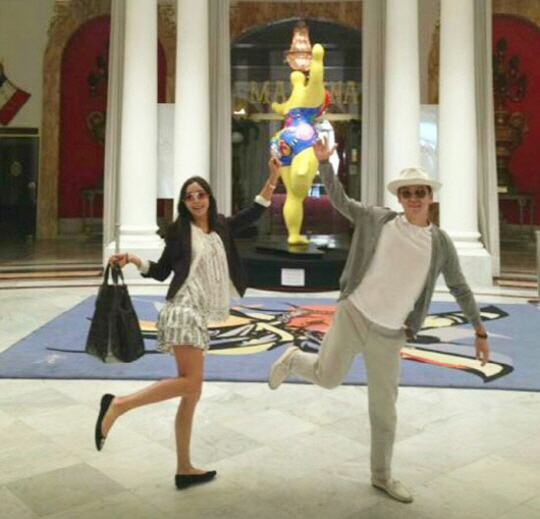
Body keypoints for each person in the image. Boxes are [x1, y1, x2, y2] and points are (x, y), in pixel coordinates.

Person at [268, 138, 490, 504]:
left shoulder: (441, 244)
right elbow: (340, 200)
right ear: (400, 198)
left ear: (430, 197)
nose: (414, 198)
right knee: (328, 378)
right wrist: (324, 163)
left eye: (420, 192)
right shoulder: (377, 220)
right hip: (354, 314)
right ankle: (294, 360)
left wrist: (479, 330)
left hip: (390, 333)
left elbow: (459, 287)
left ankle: (382, 476)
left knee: (384, 412)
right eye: (407, 193)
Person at [94, 157, 281, 490]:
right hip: (182, 309)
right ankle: (118, 405)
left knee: (191, 392)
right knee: (191, 383)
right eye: (189, 196)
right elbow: (162, 271)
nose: (196, 200)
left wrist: (272, 177)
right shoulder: (179, 231)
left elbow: (255, 211)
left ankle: (184, 468)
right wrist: (134, 259)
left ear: (209, 197)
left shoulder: (221, 226)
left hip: (199, 312)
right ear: (183, 202)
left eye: (200, 194)